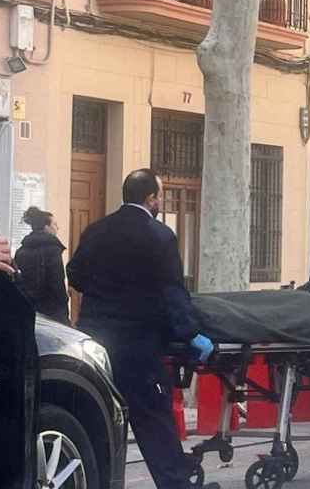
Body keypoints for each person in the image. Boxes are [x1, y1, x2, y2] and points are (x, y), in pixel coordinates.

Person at [67, 169, 218, 489]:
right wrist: (191, 334)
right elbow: (171, 291)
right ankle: (176, 482)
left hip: (95, 340)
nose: (160, 201)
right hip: (138, 345)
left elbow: (76, 275)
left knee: (100, 415)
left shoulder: (95, 231)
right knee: (152, 417)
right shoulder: (159, 236)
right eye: (159, 196)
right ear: (151, 199)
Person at [14, 206, 70, 324]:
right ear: (46, 227)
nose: (57, 228)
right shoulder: (53, 249)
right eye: (54, 224)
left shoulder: (21, 251)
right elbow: (57, 282)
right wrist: (64, 315)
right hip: (52, 311)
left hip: (28, 309)